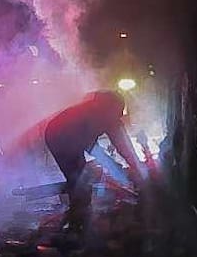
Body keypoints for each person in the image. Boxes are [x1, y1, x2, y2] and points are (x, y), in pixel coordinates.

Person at [44, 90, 145, 234]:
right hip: (58, 137)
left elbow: (123, 145)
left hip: (67, 137)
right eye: (115, 112)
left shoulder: (108, 117)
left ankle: (78, 219)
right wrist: (114, 167)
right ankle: (77, 224)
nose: (117, 117)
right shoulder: (87, 116)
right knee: (79, 181)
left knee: (81, 180)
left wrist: (136, 166)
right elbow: (91, 148)